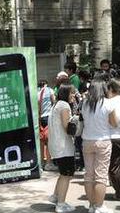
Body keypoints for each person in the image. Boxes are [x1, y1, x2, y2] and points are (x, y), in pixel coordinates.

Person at [81, 76, 117, 213]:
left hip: (87, 142)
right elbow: (114, 123)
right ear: (103, 89)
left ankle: (91, 206)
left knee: (89, 175)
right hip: (103, 141)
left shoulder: (84, 103)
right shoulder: (108, 104)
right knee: (101, 176)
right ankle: (99, 206)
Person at [47, 84, 76, 213]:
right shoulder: (64, 105)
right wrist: (76, 123)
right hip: (63, 146)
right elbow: (67, 127)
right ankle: (61, 204)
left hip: (56, 145)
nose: (74, 96)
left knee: (63, 173)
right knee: (66, 174)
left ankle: (55, 197)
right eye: (72, 93)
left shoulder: (56, 105)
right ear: (65, 94)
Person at [38, 79, 57, 171]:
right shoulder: (50, 90)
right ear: (46, 84)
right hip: (48, 117)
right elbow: (54, 102)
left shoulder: (37, 92)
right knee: (49, 140)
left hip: (40, 118)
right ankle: (49, 163)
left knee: (42, 141)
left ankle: (42, 162)